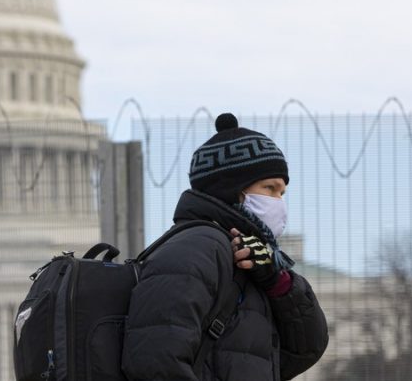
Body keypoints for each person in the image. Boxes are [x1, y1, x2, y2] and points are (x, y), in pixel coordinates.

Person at [122, 113, 328, 381]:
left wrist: (277, 281)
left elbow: (304, 350)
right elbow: (154, 362)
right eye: (270, 188)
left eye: (282, 192)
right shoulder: (196, 249)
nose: (279, 202)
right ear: (234, 189)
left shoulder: (249, 257)